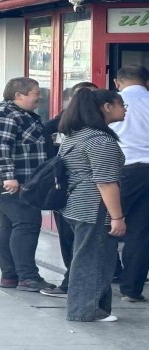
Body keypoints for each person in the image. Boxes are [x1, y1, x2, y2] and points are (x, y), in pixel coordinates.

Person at [0, 77, 56, 292]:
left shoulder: (24, 115)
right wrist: (9, 176)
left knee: (10, 224)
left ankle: (10, 276)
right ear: (19, 95)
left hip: (21, 179)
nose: (39, 97)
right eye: (36, 93)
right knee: (27, 222)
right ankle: (28, 276)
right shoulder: (3, 113)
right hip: (11, 180)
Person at [58, 89, 127, 322]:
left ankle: (92, 308)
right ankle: (86, 310)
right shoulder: (100, 141)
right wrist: (117, 217)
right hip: (94, 207)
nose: (125, 109)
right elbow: (106, 182)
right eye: (121, 104)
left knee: (87, 257)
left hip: (75, 204)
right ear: (106, 107)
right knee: (95, 259)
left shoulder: (75, 135)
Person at [39, 81, 98, 298]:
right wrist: (53, 157)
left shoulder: (101, 122)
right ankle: (70, 281)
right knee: (70, 234)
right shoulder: (69, 117)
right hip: (70, 186)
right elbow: (44, 129)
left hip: (92, 186)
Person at [111, 65, 149, 303]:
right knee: (141, 231)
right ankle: (131, 290)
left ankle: (99, 280)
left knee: (106, 224)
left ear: (117, 82)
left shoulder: (112, 103)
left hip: (123, 170)